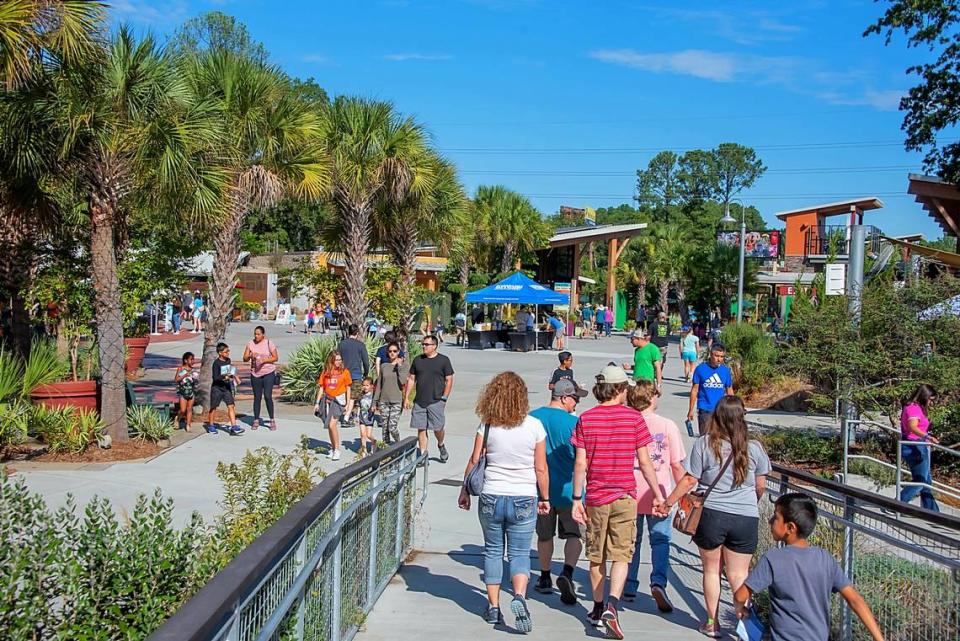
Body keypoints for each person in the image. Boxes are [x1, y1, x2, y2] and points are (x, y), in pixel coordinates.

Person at [661, 395, 770, 638]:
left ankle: (712, 622)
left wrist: (669, 502)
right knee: (739, 574)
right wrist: (751, 502)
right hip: (745, 517)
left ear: (717, 416)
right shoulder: (755, 447)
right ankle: (744, 625)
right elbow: (760, 485)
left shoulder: (705, 444)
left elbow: (690, 479)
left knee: (711, 570)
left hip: (712, 514)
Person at [571, 365, 664, 640]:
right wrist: (658, 494)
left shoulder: (586, 419)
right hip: (625, 495)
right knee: (622, 554)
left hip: (597, 497)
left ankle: (598, 608)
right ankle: (613, 604)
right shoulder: (635, 419)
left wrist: (577, 498)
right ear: (621, 389)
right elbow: (645, 463)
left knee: (596, 555)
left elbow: (580, 463)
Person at [458, 372, 551, 633]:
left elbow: (475, 460)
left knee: (493, 551)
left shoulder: (487, 425)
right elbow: (541, 468)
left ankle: (494, 607)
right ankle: (519, 596)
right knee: (520, 553)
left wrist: (464, 491)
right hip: (524, 496)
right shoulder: (534, 426)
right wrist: (545, 498)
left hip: (491, 494)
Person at [734, 493, 885, 641]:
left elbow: (741, 595)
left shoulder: (772, 559)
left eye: (776, 517)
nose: (770, 520)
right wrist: (879, 638)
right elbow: (855, 600)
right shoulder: (826, 559)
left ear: (790, 528)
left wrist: (740, 608)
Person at [623, 381, 686, 611]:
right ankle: (658, 581)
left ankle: (628, 584)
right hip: (659, 491)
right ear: (651, 399)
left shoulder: (627, 423)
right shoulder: (667, 426)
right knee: (660, 539)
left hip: (630, 490)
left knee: (633, 541)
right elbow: (676, 465)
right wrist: (682, 493)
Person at [531, 379, 588, 605]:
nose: (577, 403)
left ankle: (544, 577)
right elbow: (582, 459)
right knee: (574, 535)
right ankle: (567, 572)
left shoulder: (532, 418)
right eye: (575, 398)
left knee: (544, 536)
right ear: (564, 398)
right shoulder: (573, 424)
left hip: (540, 491)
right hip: (569, 491)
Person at [404, 334, 454, 462]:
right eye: (423, 344)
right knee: (421, 428)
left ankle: (441, 444)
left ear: (435, 346)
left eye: (427, 344)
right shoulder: (418, 360)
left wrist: (444, 398)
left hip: (436, 400)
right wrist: (407, 397)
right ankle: (423, 455)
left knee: (438, 428)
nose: (424, 347)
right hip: (420, 401)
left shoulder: (444, 360)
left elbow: (449, 380)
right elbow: (411, 379)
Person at [899, 384, 940, 512]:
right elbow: (913, 426)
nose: (932, 403)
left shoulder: (916, 408)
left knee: (926, 481)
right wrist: (928, 437)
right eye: (931, 399)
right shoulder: (914, 408)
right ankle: (897, 503)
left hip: (919, 445)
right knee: (920, 481)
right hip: (914, 446)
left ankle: (932, 511)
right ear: (924, 396)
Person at [687, 343, 735, 436]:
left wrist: (732, 408)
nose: (719, 359)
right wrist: (690, 410)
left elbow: (729, 389)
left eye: (721, 356)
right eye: (716, 356)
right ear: (710, 354)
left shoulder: (725, 370)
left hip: (721, 410)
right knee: (705, 439)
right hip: (705, 409)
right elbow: (694, 390)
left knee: (720, 438)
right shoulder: (700, 369)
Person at [315, 350, 351, 461]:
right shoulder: (326, 372)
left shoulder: (344, 372)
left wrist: (348, 403)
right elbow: (321, 387)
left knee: (332, 425)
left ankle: (337, 450)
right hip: (328, 400)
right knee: (329, 426)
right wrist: (317, 402)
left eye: (340, 360)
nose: (339, 362)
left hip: (338, 400)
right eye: (337, 360)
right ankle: (333, 447)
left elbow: (348, 387)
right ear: (332, 360)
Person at [243, 325, 280, 431]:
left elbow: (275, 357)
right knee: (257, 397)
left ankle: (271, 419)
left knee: (268, 396)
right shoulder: (250, 343)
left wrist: (264, 360)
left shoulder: (269, 343)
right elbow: (244, 358)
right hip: (255, 374)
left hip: (268, 372)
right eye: (255, 334)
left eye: (258, 334)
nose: (256, 336)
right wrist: (250, 355)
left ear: (263, 335)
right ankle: (256, 419)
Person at [205, 342, 244, 435]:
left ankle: (234, 426)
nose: (228, 353)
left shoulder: (228, 360)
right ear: (220, 353)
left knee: (231, 406)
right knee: (214, 407)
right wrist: (224, 377)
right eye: (226, 351)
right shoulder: (216, 363)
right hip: (217, 388)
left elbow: (231, 371)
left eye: (228, 351)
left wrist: (235, 377)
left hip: (226, 387)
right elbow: (215, 377)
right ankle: (211, 425)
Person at [374, 341, 408, 445]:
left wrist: (399, 367)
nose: (392, 353)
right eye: (390, 351)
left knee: (392, 427)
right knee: (385, 428)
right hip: (384, 401)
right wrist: (374, 401)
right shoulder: (384, 366)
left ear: (399, 352)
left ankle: (398, 444)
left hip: (396, 401)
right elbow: (379, 384)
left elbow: (403, 381)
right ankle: (386, 448)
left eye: (395, 351)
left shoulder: (404, 366)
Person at [339, 324, 370, 425]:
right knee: (352, 397)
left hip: (343, 374)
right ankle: (347, 417)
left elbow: (338, 359)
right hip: (356, 374)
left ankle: (347, 414)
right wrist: (366, 373)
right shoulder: (360, 345)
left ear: (348, 332)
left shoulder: (342, 344)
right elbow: (366, 361)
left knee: (345, 396)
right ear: (357, 333)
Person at [174, 351, 198, 431]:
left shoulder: (193, 370)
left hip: (191, 392)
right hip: (183, 392)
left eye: (193, 359)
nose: (193, 361)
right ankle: (178, 418)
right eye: (191, 359)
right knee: (183, 410)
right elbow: (176, 379)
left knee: (190, 409)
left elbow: (195, 382)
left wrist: (195, 378)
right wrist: (184, 375)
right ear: (185, 360)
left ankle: (188, 425)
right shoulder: (180, 368)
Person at [357, 377, 376, 456]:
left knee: (368, 435)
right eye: (364, 385)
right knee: (362, 434)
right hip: (362, 417)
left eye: (367, 385)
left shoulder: (373, 396)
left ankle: (374, 442)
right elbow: (359, 406)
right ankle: (364, 451)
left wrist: (374, 408)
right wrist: (357, 416)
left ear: (371, 386)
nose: (365, 387)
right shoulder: (361, 395)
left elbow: (375, 405)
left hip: (369, 418)